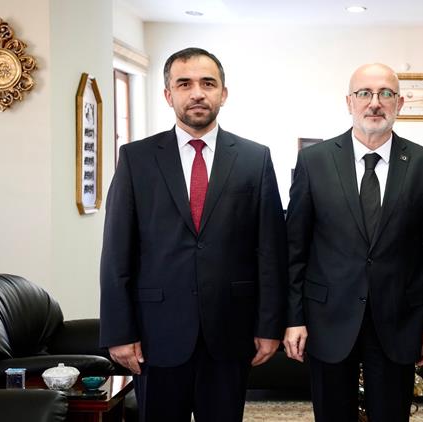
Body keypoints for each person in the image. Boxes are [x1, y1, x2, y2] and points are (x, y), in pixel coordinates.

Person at [99, 47, 287, 422]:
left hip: (230, 331)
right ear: (168, 95)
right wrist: (118, 331)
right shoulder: (136, 158)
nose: (197, 93)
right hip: (156, 334)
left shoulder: (255, 158)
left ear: (223, 93)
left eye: (208, 83)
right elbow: (117, 252)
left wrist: (270, 326)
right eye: (184, 84)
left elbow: (270, 251)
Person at [283, 63, 423, 422]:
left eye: (385, 93)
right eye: (364, 93)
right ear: (349, 101)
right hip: (328, 318)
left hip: (398, 320)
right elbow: (295, 248)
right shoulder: (314, 161)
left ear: (399, 103)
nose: (375, 102)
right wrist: (293, 318)